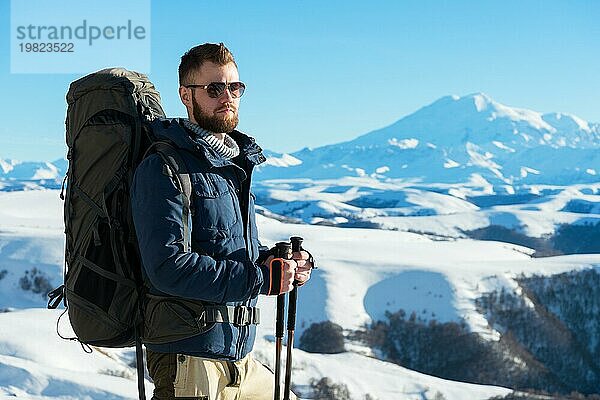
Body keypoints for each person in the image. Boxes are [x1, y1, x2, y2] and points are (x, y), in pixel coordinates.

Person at [131, 42, 313, 400]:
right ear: (186, 95)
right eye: (213, 88)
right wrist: (260, 278)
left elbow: (227, 248)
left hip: (238, 355)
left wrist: (277, 262)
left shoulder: (232, 166)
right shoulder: (164, 166)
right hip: (188, 355)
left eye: (235, 87)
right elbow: (168, 267)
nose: (227, 96)